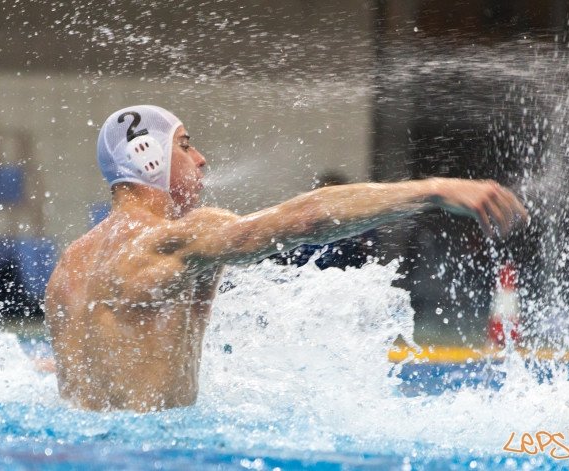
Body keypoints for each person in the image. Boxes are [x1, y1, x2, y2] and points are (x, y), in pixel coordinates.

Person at [45, 105, 527, 412]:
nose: (201, 159)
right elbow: (305, 218)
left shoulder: (68, 267)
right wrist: (431, 190)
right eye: (186, 145)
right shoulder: (172, 241)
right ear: (148, 157)